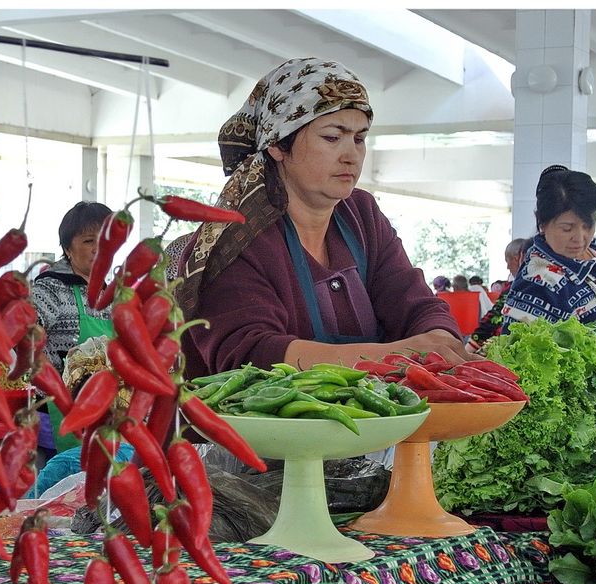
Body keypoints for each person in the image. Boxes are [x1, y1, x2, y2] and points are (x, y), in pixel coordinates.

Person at [175, 57, 474, 378]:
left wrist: (441, 340)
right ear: (277, 144)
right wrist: (397, 354)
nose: (352, 155)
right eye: (332, 137)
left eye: (359, 138)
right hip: (254, 427)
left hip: (371, 423)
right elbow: (251, 355)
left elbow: (414, 302)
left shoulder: (362, 214)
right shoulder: (235, 236)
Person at [502, 165, 596, 333]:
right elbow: (517, 348)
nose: (580, 238)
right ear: (542, 223)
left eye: (588, 225)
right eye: (567, 228)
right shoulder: (538, 281)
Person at [29, 201, 115, 456]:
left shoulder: (110, 294)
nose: (99, 248)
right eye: (89, 241)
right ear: (68, 249)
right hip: (60, 415)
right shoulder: (51, 287)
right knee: (61, 490)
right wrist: (58, 385)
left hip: (105, 412)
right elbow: (24, 334)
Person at [465, 238, 530, 353]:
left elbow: (493, 318)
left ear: (518, 259)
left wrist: (469, 349)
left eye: (507, 261)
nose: (508, 267)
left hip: (506, 350)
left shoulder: (515, 288)